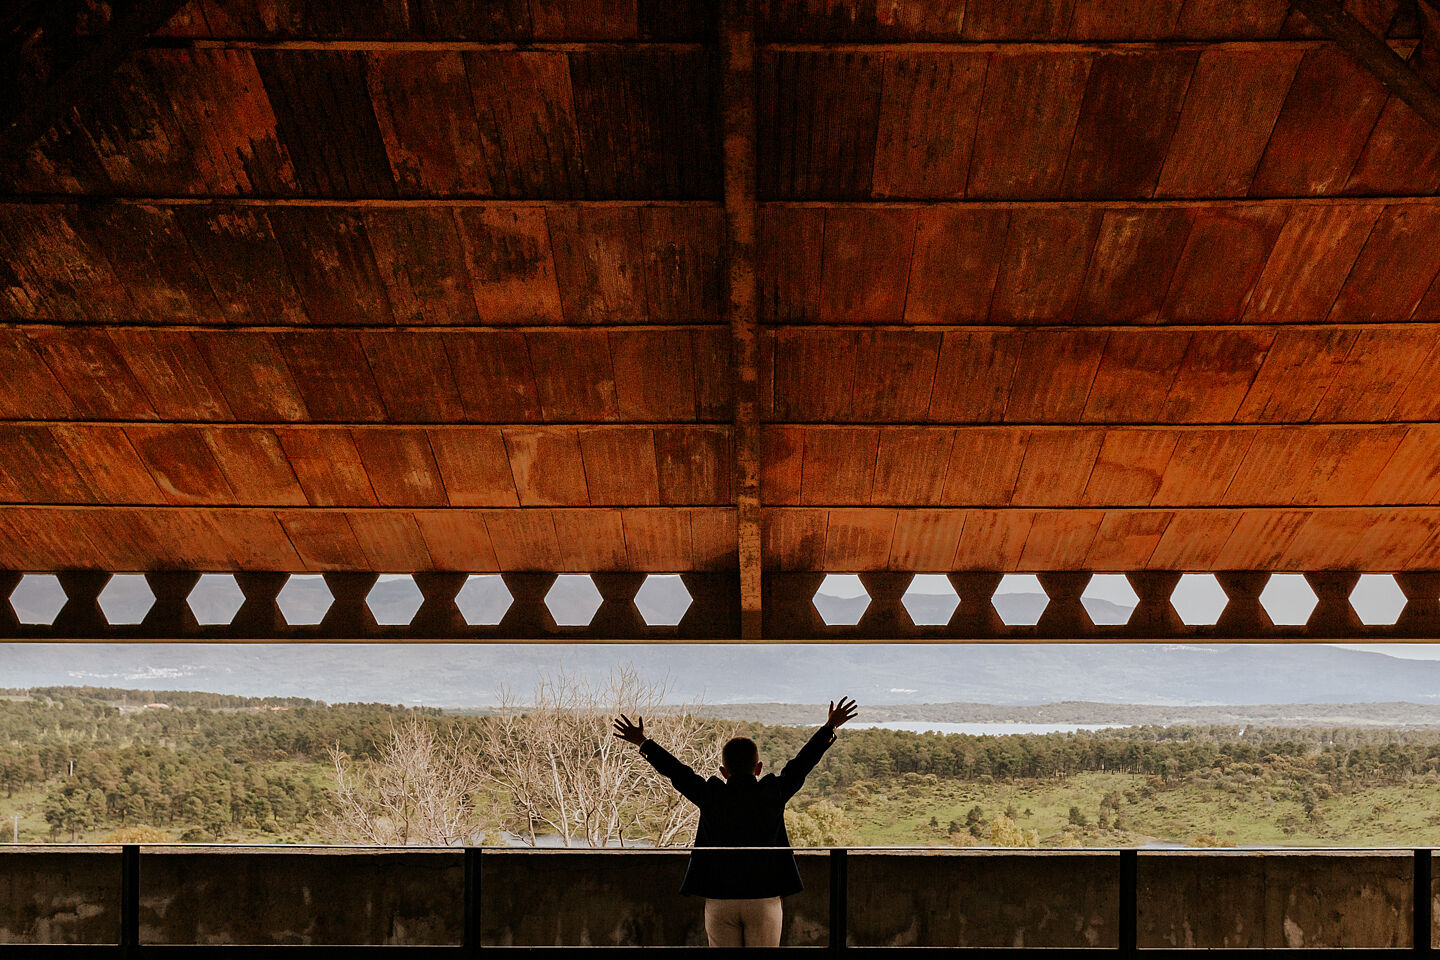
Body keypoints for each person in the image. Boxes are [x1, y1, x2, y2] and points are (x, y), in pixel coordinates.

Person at [612, 697, 858, 948]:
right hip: (764, 896)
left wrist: (643, 742)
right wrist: (830, 727)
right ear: (758, 767)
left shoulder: (711, 795)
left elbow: (677, 771)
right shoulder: (773, 793)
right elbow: (802, 764)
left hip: (720, 897)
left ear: (723, 771)